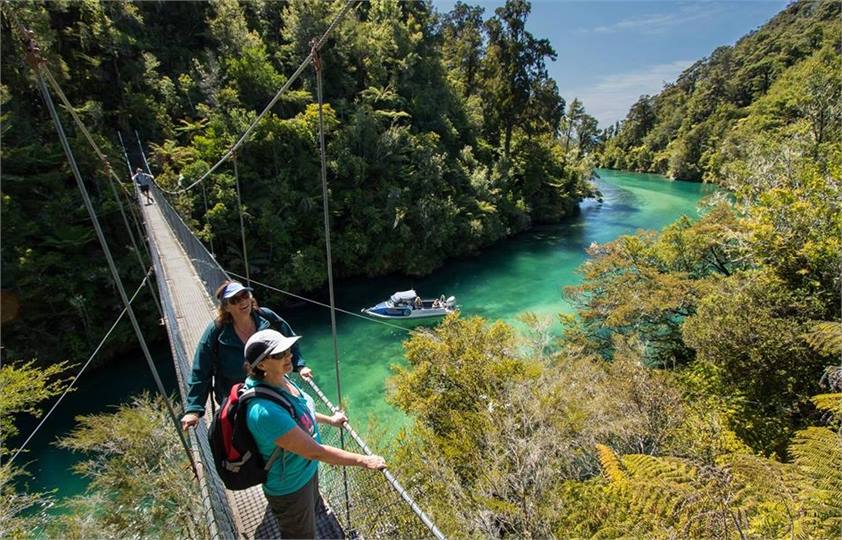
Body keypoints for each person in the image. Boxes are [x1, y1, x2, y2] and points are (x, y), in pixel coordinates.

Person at [244, 329, 386, 539]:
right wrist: (363, 460)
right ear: (262, 365)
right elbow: (315, 451)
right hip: (290, 486)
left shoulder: (281, 380)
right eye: (280, 354)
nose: (289, 356)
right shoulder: (264, 411)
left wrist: (330, 420)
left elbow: (301, 413)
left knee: (311, 517)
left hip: (305, 470)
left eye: (288, 350)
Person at [180, 280, 312, 430]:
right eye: (234, 300)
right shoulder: (216, 331)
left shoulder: (266, 317)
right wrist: (193, 409)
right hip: (238, 401)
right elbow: (201, 369)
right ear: (226, 307)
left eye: (245, 295)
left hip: (272, 389)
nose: (242, 301)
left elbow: (288, 338)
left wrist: (300, 365)